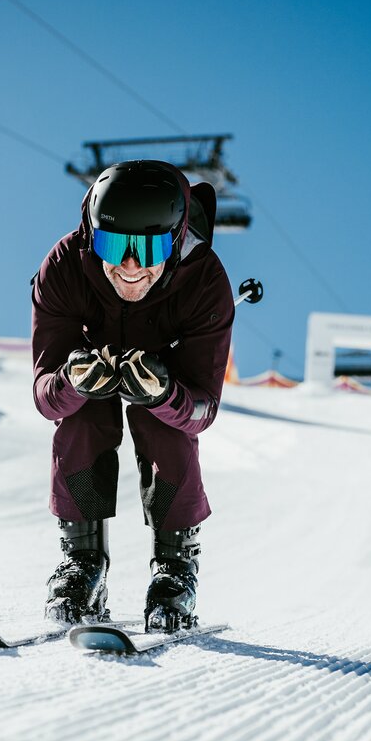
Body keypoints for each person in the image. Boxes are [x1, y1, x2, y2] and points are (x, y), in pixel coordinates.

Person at [31, 160, 234, 631]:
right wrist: (70, 382)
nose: (129, 266)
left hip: (167, 366)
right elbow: (45, 396)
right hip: (94, 358)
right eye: (113, 244)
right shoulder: (64, 267)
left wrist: (166, 395)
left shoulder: (205, 280)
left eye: (148, 248)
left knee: (162, 422)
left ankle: (175, 569)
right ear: (91, 234)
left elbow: (202, 409)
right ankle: (83, 563)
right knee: (83, 413)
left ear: (176, 241)